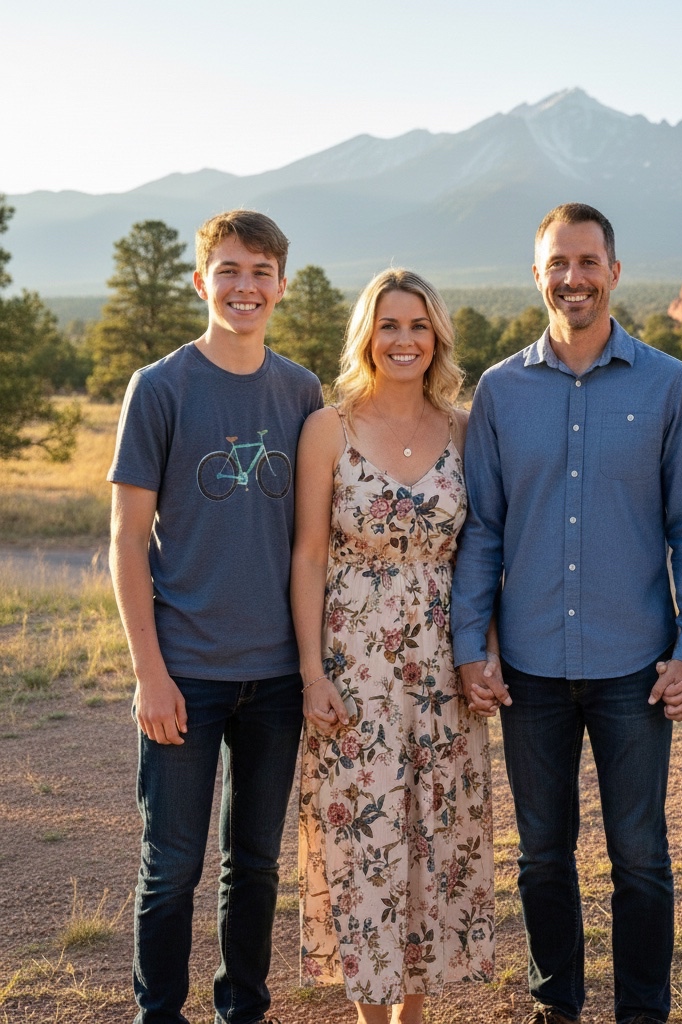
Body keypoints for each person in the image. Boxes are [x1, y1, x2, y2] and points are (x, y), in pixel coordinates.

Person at [451, 203, 682, 1024]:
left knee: (640, 857)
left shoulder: (668, 383)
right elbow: (484, 529)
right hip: (528, 666)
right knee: (542, 856)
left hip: (635, 665)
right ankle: (555, 1007)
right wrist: (471, 644)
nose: (573, 278)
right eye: (557, 264)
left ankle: (643, 1012)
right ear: (538, 275)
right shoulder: (499, 392)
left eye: (587, 262)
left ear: (613, 269)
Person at [108, 209, 323, 1024]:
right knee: (171, 868)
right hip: (185, 675)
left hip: (273, 677)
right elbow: (126, 542)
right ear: (202, 282)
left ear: (280, 286)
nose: (245, 286)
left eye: (261, 272)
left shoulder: (301, 392)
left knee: (256, 865)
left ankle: (244, 1009)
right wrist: (149, 675)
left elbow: (312, 542)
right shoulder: (160, 387)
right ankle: (157, 1014)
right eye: (229, 270)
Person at [291, 268, 495, 1024]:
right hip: (355, 661)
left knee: (431, 833)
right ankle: (371, 1017)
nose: (403, 340)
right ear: (366, 337)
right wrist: (313, 671)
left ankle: (413, 1016)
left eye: (417, 326)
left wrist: (486, 653)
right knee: (362, 830)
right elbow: (309, 554)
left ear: (437, 336)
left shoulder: (467, 429)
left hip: (443, 662)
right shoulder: (328, 428)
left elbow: (484, 550)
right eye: (388, 325)